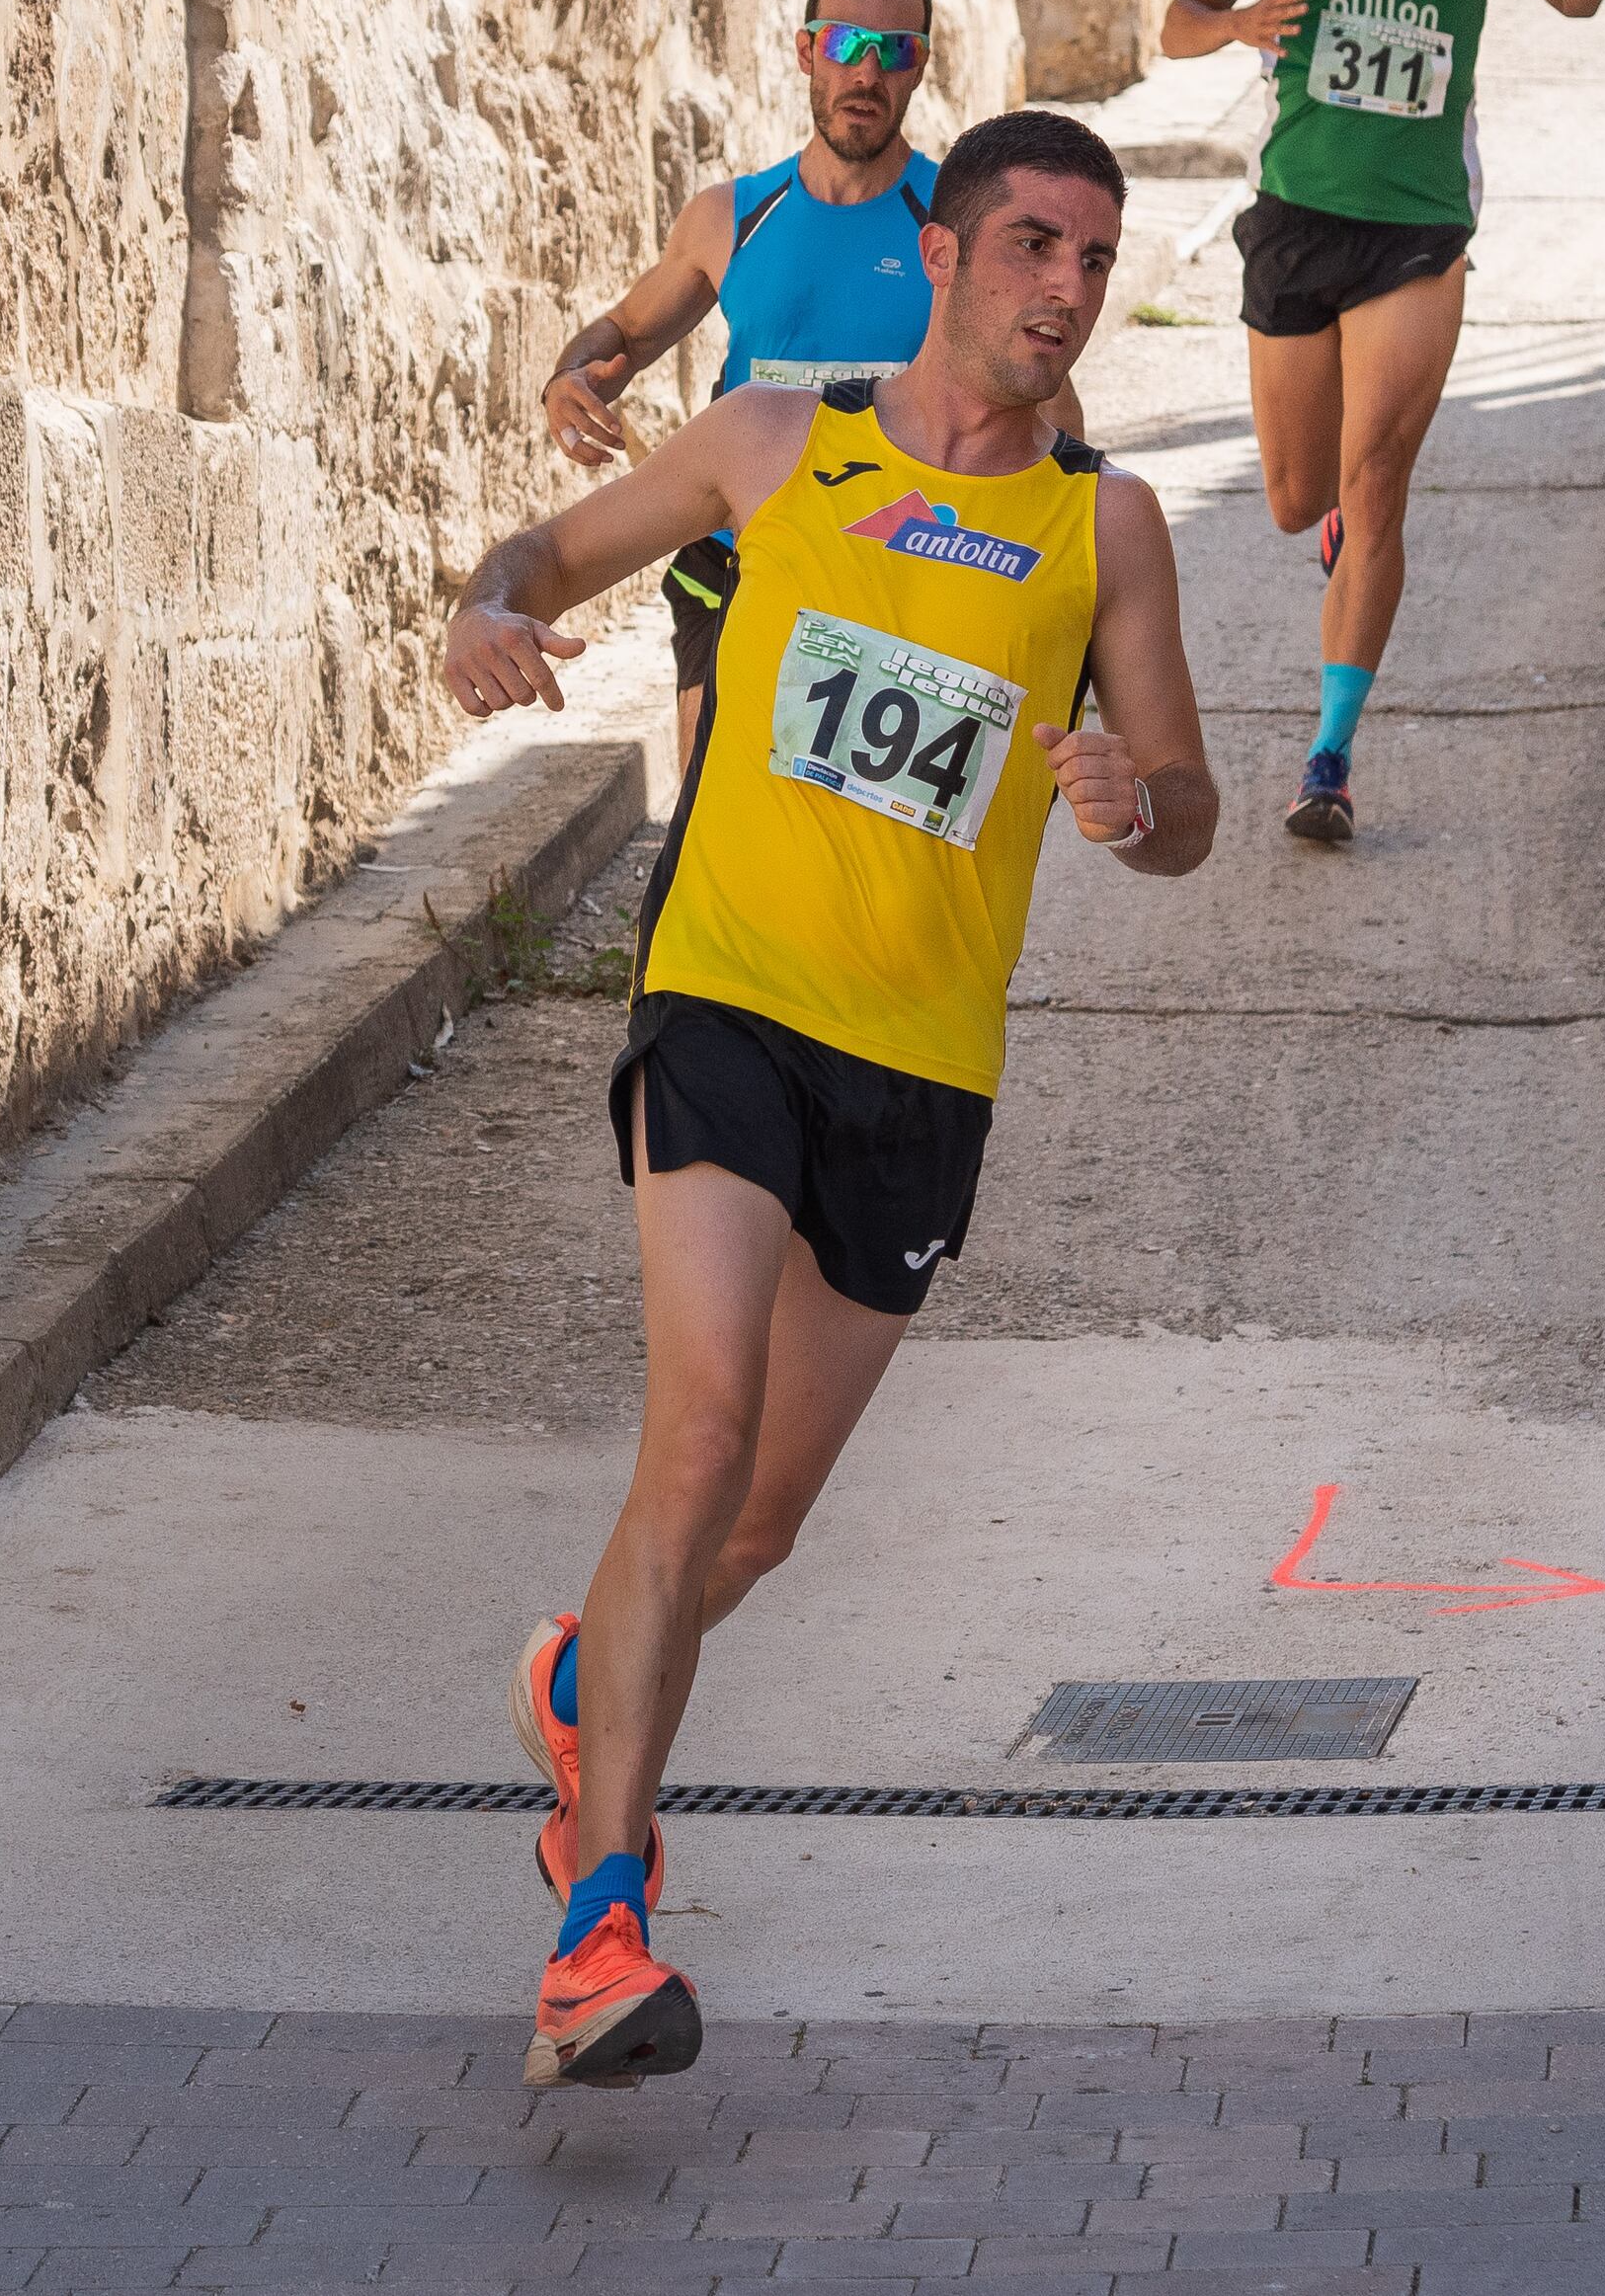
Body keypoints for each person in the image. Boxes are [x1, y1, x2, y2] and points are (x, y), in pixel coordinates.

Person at [442, 111, 1216, 2090]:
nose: (1065, 286)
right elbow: (549, 546)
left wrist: (1141, 809)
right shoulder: (782, 443)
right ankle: (597, 1917)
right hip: (728, 997)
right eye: (1033, 242)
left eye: (1094, 260)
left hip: (922, 1071)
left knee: (757, 1522)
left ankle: (579, 1669)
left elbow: (1188, 802)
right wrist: (493, 599)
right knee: (693, 1436)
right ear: (944, 254)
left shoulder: (1102, 528)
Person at [1158, 0, 1605, 843]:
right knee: (1293, 500)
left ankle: (1327, 757)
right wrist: (1238, 26)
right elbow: (1175, 18)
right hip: (1295, 222)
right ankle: (1333, 533)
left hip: (1416, 232)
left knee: (1373, 487)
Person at [542, 0, 955, 774]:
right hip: (734, 557)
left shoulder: (952, 220)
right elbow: (625, 331)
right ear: (806, 52)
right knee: (707, 803)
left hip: (889, 566)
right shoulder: (729, 217)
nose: (865, 71)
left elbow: (1048, 412)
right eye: (845, 42)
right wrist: (571, 378)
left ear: (919, 70)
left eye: (894, 50)